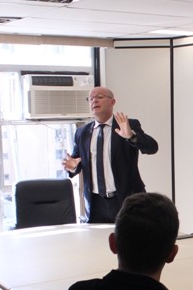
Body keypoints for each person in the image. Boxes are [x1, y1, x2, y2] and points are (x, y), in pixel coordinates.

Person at [62, 86, 158, 223]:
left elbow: (152, 148)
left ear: (112, 102)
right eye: (91, 98)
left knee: (132, 241)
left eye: (100, 97)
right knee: (98, 243)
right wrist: (72, 167)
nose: (94, 101)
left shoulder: (127, 125)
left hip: (126, 200)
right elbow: (76, 161)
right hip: (95, 204)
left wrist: (131, 136)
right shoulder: (81, 133)